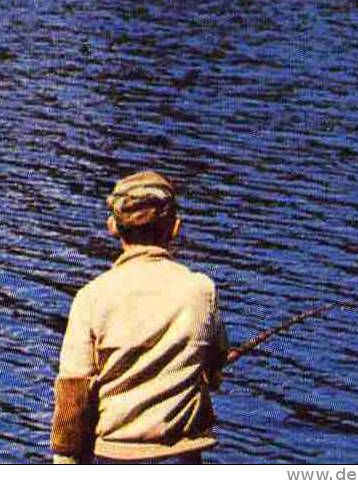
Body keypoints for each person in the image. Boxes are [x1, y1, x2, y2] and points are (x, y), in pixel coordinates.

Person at [52, 170, 228, 464]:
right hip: (181, 460)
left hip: (112, 459)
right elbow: (215, 364)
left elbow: (73, 397)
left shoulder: (92, 297)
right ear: (174, 228)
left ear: (113, 227)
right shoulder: (201, 291)